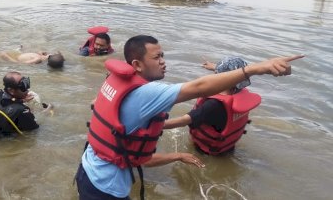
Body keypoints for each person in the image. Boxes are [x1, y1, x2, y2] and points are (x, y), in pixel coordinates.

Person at [76, 35, 303, 200]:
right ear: (137, 64)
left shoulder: (115, 82)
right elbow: (199, 87)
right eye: (157, 57)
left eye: (163, 55)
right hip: (105, 188)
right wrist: (255, 69)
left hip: (88, 168)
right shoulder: (147, 94)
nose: (164, 61)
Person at [163, 56, 261, 155]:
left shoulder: (213, 105)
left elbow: (184, 121)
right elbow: (233, 77)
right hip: (228, 148)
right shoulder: (240, 96)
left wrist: (157, 125)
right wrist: (215, 67)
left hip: (205, 151)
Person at [0, 72, 40, 139]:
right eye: (23, 87)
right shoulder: (22, 111)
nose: (27, 90)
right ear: (11, 90)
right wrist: (31, 110)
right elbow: (34, 130)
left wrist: (21, 100)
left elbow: (7, 103)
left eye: (26, 83)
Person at [0, 50, 65, 69]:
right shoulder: (41, 57)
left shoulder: (38, 59)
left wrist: (7, 57)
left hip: (16, 58)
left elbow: (21, 64)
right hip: (19, 55)